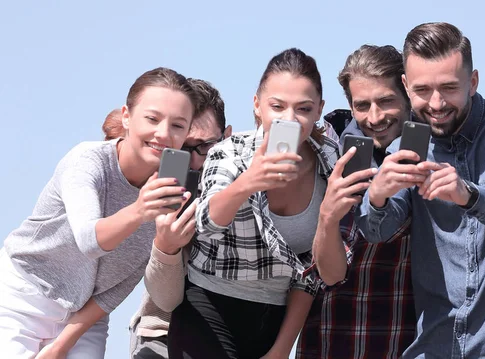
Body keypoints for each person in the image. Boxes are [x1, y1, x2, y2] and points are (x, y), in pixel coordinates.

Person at [357, 22, 485, 358]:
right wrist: (377, 196)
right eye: (423, 90)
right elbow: (376, 231)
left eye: (449, 88)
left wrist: (470, 195)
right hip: (436, 348)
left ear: (473, 82)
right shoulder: (404, 148)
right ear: (407, 86)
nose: (437, 103)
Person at [0, 67, 201, 358]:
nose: (163, 133)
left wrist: (61, 347)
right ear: (127, 116)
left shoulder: (170, 194)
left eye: (178, 126)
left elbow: (116, 289)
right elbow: (89, 241)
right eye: (153, 119)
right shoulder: (87, 161)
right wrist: (138, 210)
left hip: (84, 318)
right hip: (24, 295)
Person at [165, 48, 340, 359]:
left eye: (303, 108)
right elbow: (204, 224)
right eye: (277, 106)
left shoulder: (329, 161)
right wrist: (248, 182)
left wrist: (282, 349)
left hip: (277, 313)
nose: (290, 119)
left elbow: (314, 271)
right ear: (257, 105)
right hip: (209, 303)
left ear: (319, 111)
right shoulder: (231, 151)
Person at [297, 45, 417, 359]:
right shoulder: (327, 150)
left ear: (407, 92)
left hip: (401, 340)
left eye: (386, 101)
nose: (375, 117)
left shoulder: (437, 147)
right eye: (362, 105)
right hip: (328, 339)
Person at [129, 78, 231, 359]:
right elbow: (165, 299)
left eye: (206, 146)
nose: (196, 161)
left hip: (232, 334)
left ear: (227, 136)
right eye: (185, 148)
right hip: (161, 332)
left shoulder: (245, 182)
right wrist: (167, 247)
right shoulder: (153, 189)